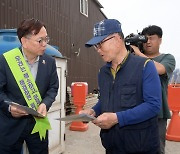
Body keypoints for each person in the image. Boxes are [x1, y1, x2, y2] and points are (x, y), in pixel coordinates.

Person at [81, 19, 162, 154]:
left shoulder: (145, 66)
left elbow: (153, 105)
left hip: (141, 147)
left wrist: (117, 118)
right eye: (96, 46)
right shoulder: (103, 73)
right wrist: (93, 111)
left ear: (118, 39)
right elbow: (106, 99)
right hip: (112, 146)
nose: (98, 50)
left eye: (101, 44)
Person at [0, 18, 59, 154]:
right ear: (24, 41)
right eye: (40, 40)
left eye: (46, 39)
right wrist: (9, 107)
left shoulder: (49, 62)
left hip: (38, 124)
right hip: (11, 125)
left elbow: (53, 88)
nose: (45, 44)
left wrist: (45, 103)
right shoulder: (6, 61)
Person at [131, 25, 176, 154]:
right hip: (136, 110)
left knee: (156, 148)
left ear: (160, 40)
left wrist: (138, 54)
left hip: (158, 114)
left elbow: (159, 69)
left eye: (152, 38)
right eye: (145, 39)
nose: (148, 42)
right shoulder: (134, 57)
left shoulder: (167, 58)